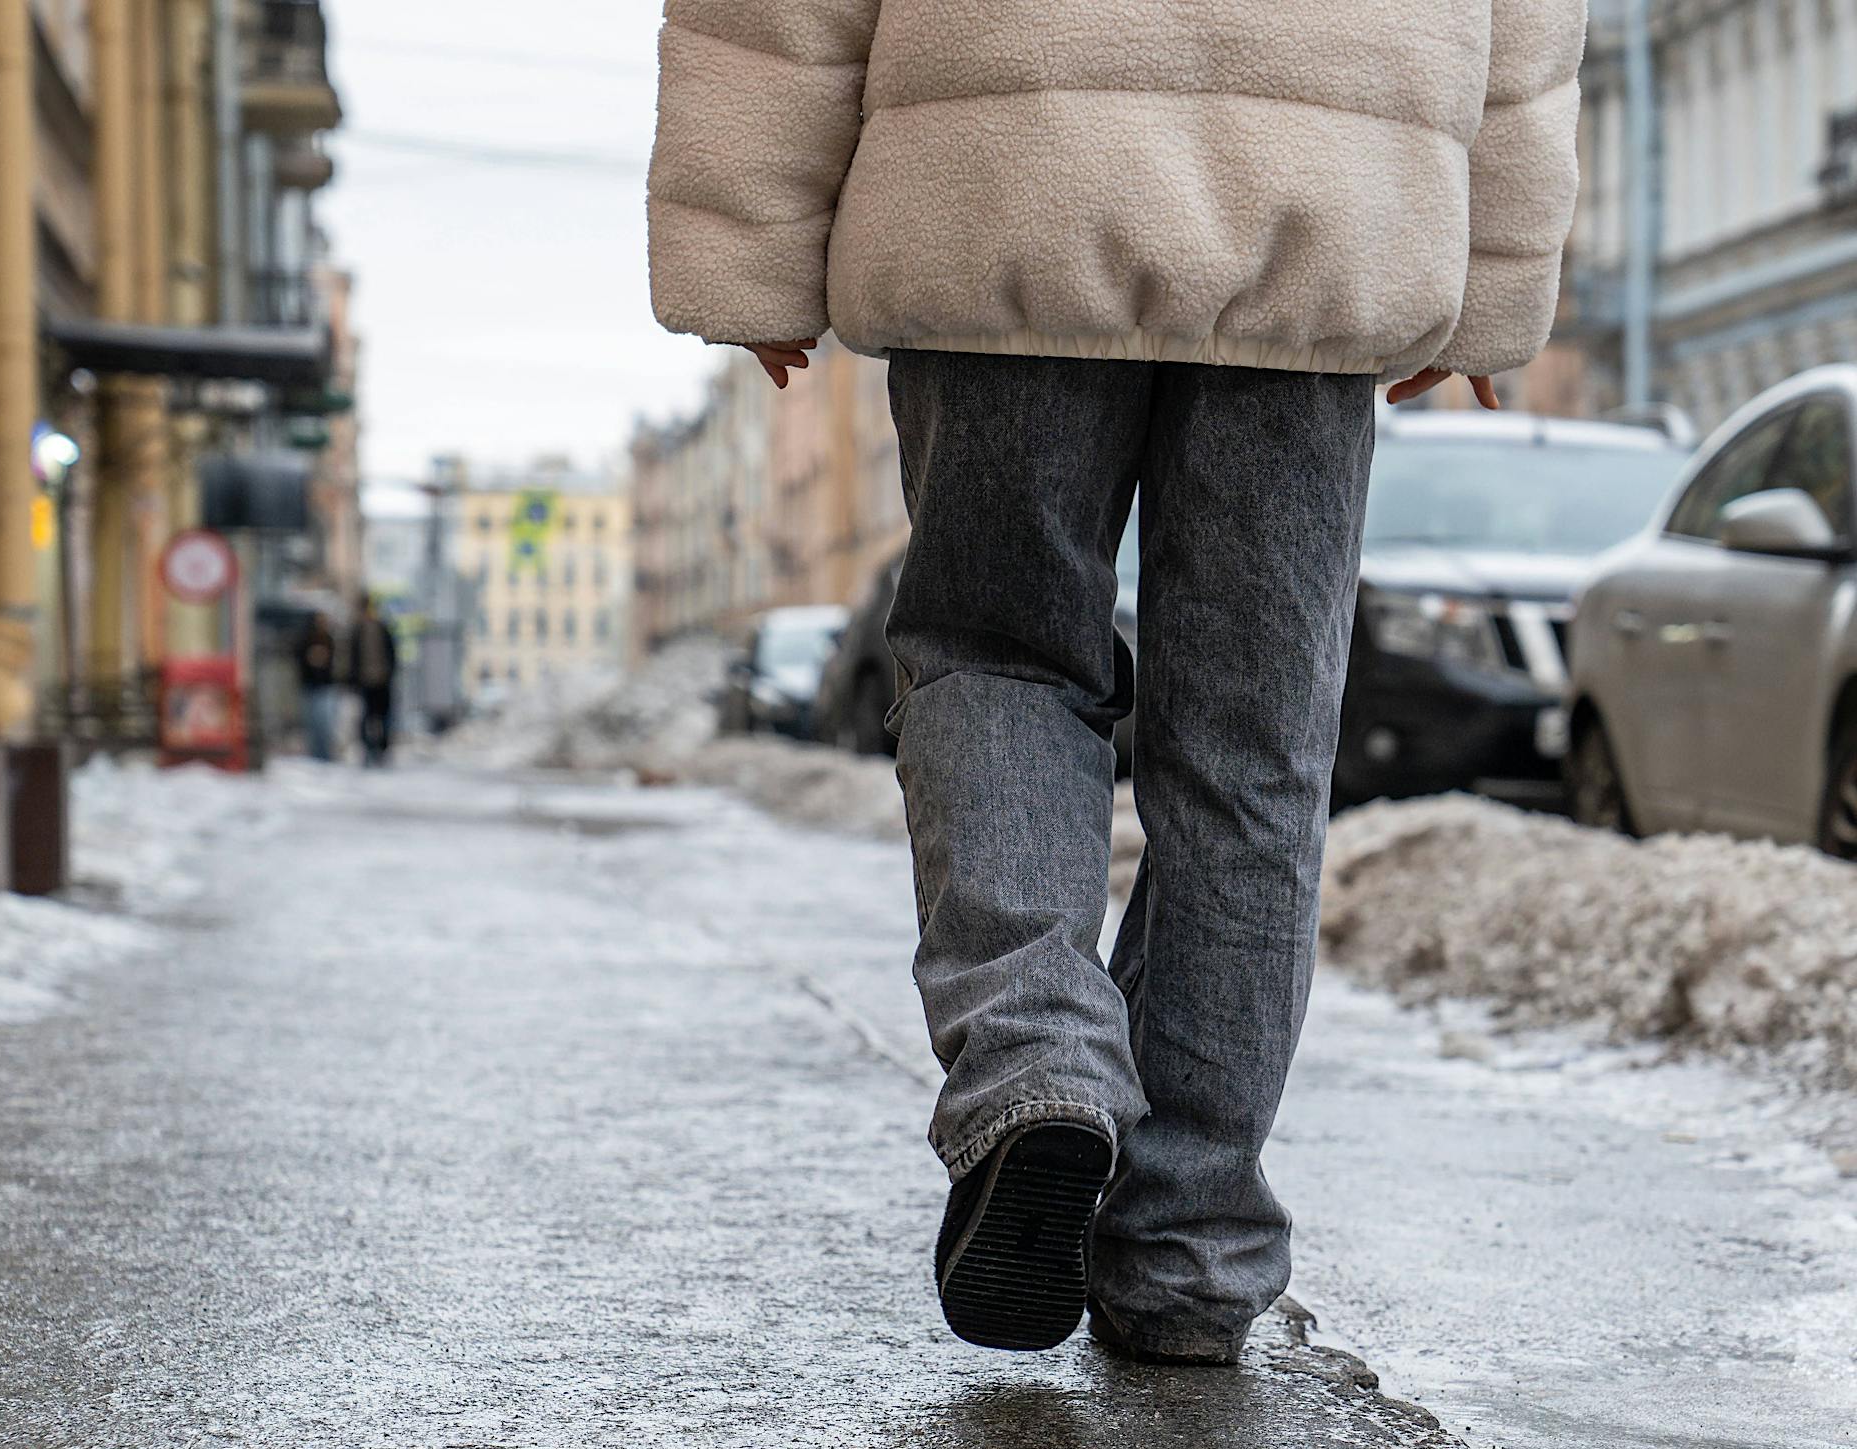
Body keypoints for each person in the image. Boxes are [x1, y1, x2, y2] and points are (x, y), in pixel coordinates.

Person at [648, 0, 1584, 1362]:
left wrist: (747, 237)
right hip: (1335, 186)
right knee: (1249, 747)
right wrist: (1496, 266)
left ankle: (1037, 1061)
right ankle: (1190, 1246)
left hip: (1006, 165)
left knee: (999, 656)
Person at [351, 595, 398, 768]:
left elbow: (392, 653)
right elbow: (353, 657)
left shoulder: (383, 628)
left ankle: (382, 749)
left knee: (384, 716)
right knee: (366, 717)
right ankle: (369, 749)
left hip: (383, 680)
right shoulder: (358, 631)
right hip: (365, 681)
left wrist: (390, 673)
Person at [296, 612, 339, 763]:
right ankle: (315, 754)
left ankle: (325, 753)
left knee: (325, 723)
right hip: (310, 686)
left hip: (325, 686)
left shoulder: (329, 640)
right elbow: (299, 660)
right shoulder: (306, 639)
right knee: (313, 723)